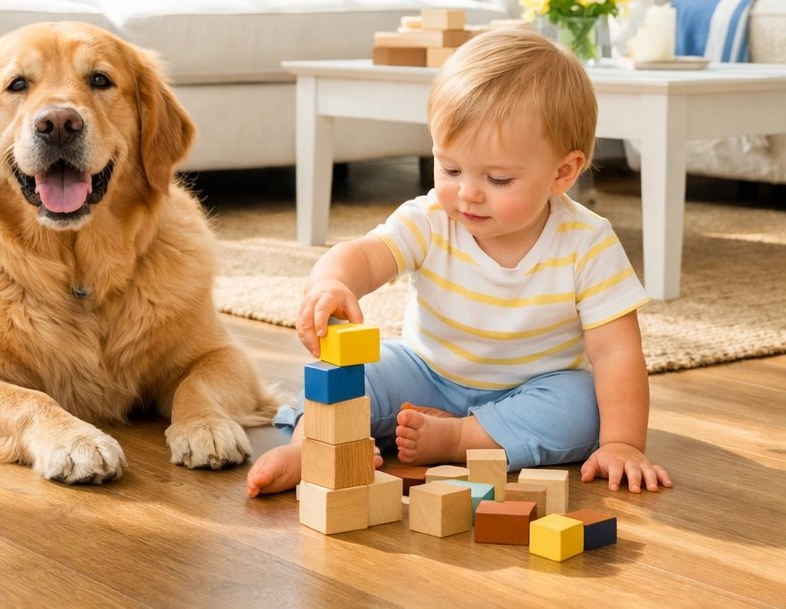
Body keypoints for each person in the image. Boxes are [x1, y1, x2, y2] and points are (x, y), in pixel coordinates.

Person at [247, 28, 673, 498]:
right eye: (450, 169)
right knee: (355, 372)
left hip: (530, 390)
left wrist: (622, 443)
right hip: (424, 373)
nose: (466, 192)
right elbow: (365, 256)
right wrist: (331, 282)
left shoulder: (586, 242)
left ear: (563, 172)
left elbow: (617, 353)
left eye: (497, 177)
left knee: (584, 405)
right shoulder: (432, 220)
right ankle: (315, 446)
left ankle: (459, 438)